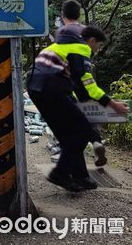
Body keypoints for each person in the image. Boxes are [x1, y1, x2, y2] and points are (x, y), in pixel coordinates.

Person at [27, 25, 130, 192]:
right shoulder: (81, 48)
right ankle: (60, 173)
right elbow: (87, 85)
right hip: (53, 88)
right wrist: (113, 104)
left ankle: (80, 176)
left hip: (36, 88)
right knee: (82, 131)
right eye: (98, 45)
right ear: (92, 40)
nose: (97, 49)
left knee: (69, 135)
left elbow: (76, 86)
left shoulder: (60, 47)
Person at [54, 0, 106, 165]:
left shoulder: (60, 33)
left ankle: (69, 153)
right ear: (79, 14)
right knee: (87, 109)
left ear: (63, 16)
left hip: (66, 79)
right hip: (85, 76)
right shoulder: (85, 31)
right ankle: (96, 141)